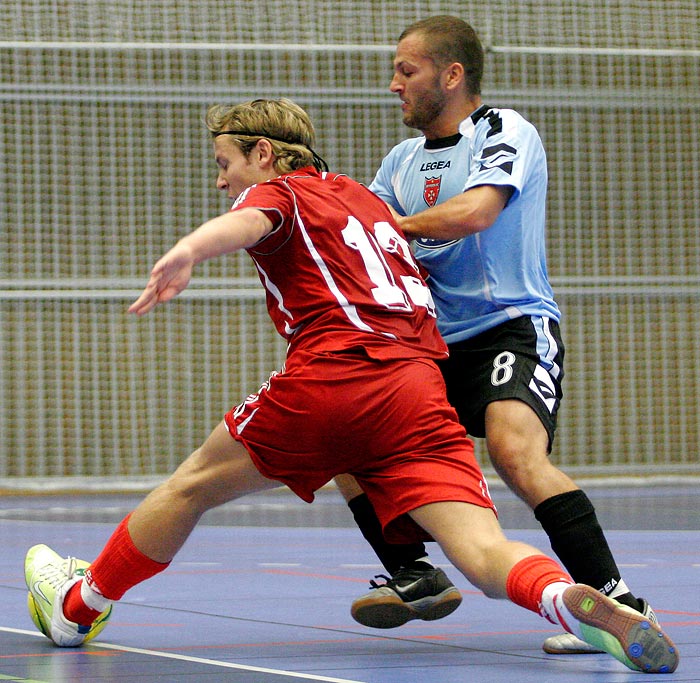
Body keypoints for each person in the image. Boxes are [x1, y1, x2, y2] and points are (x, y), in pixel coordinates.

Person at [23, 97, 678, 675]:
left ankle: (78, 607)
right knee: (483, 551)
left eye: (225, 163)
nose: (223, 179)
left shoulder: (278, 192)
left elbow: (249, 222)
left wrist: (192, 248)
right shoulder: (367, 201)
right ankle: (570, 601)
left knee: (191, 485)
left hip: (337, 370)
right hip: (420, 385)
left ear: (263, 153)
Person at [336, 15, 660, 656]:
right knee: (346, 439)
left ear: (451, 75)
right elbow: (359, 235)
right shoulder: (399, 161)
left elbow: (477, 212)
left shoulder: (503, 130)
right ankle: (412, 572)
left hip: (510, 325)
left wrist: (393, 228)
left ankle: (616, 603)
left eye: (407, 70)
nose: (393, 84)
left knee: (517, 453)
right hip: (431, 345)